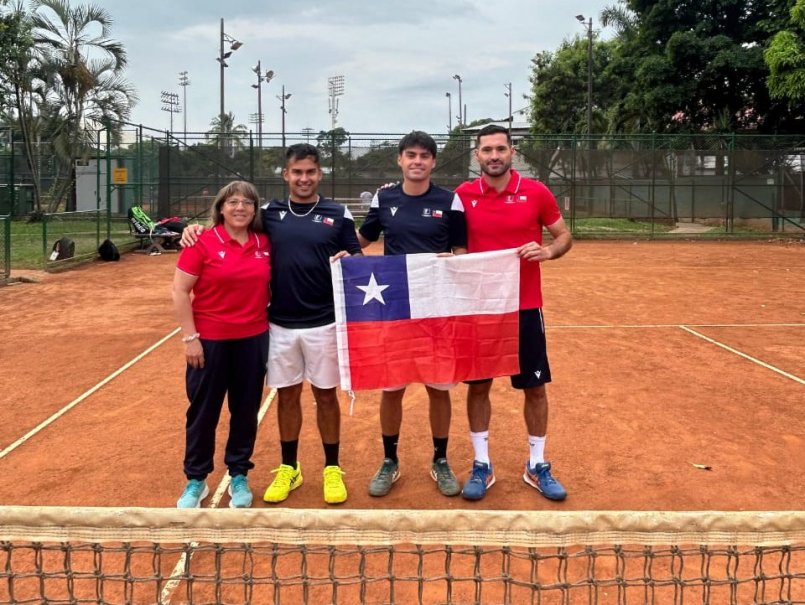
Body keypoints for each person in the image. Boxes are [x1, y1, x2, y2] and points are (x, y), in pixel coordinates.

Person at [181, 144, 362, 505]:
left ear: (319, 174)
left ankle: (331, 467)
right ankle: (289, 467)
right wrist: (194, 228)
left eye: (310, 172)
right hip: (277, 325)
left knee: (325, 396)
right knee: (287, 395)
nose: (304, 178)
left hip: (324, 323)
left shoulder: (338, 213)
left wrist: (351, 257)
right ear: (286, 175)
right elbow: (231, 223)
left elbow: (355, 255)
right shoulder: (269, 213)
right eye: (297, 172)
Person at [454, 124, 572, 502]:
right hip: (481, 310)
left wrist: (549, 252)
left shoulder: (536, 192)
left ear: (512, 151)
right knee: (479, 386)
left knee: (534, 387)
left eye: (500, 149)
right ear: (477, 155)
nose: (493, 156)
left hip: (525, 307)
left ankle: (536, 464)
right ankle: (481, 463)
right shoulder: (462, 195)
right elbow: (450, 244)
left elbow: (563, 235)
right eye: (486, 150)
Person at [357, 130, 468, 498]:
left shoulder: (449, 201)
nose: (417, 161)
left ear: (433, 162)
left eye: (424, 155)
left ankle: (440, 459)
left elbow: (462, 250)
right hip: (395, 309)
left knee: (439, 388)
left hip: (437, 309)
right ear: (400, 160)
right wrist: (333, 251)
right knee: (393, 389)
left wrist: (456, 260)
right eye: (411, 155)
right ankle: (390, 460)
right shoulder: (384, 197)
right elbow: (362, 240)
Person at [172, 180, 270, 509]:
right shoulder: (201, 241)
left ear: (255, 209)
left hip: (253, 341)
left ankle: (239, 474)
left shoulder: (265, 241)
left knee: (245, 412)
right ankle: (196, 480)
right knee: (203, 413)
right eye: (233, 202)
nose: (240, 208)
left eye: (247, 203)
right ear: (221, 207)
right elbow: (180, 291)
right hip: (209, 342)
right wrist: (190, 338)